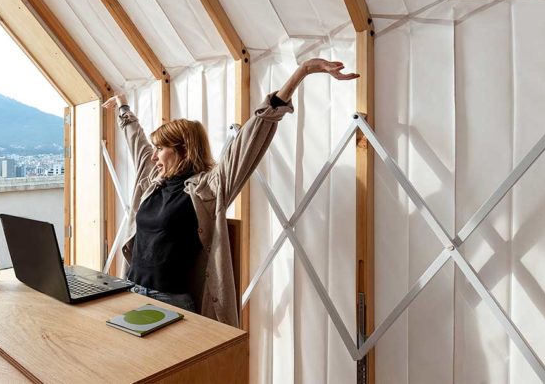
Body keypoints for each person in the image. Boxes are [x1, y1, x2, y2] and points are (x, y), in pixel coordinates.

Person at [102, 58, 358, 327]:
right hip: (131, 291)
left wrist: (301, 72)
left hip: (170, 302)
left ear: (183, 151)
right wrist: (123, 106)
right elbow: (136, 140)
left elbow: (252, 137)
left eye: (160, 149)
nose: (153, 156)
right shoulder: (153, 180)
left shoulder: (208, 186)